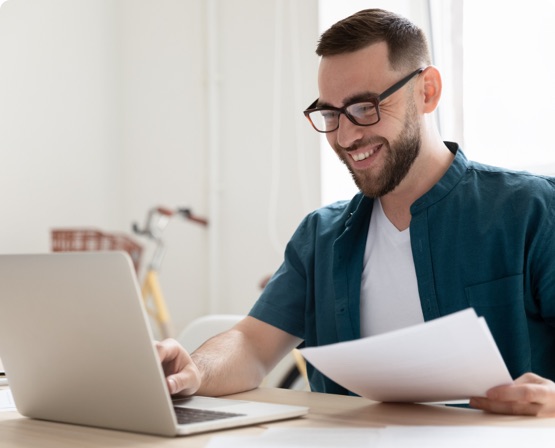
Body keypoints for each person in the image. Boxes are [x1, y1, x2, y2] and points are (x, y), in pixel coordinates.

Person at [157, 8, 555, 416]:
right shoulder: (320, 236)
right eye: (330, 114)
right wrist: (195, 370)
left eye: (365, 107)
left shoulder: (531, 211)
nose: (345, 137)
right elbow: (251, 345)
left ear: (428, 91)